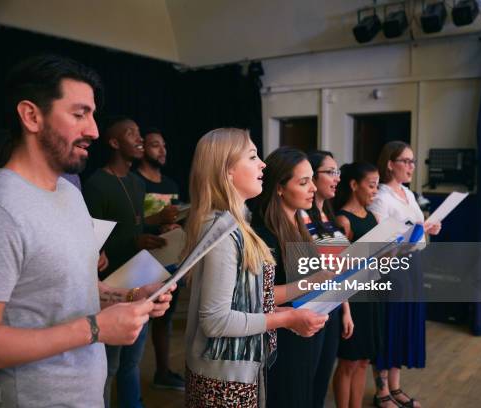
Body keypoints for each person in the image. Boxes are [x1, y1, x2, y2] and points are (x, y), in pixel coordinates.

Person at [0, 55, 173, 408]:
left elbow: (72, 293)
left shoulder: (68, 194)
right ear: (31, 116)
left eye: (93, 115)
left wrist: (129, 298)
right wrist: (96, 329)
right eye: (79, 114)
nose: (94, 131)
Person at [184, 129, 327, 408]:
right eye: (252, 156)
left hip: (239, 369)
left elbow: (249, 301)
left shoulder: (237, 224)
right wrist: (285, 319)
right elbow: (216, 321)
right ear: (227, 170)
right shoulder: (223, 231)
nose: (263, 164)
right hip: (224, 380)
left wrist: (287, 308)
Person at [83, 117, 167, 407]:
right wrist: (134, 242)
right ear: (114, 143)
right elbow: (92, 244)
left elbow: (136, 225)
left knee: (132, 361)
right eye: (131, 133)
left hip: (139, 279)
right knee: (109, 366)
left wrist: (154, 232)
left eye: (140, 131)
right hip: (110, 287)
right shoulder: (96, 184)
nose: (139, 138)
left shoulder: (136, 182)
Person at [250, 146, 333, 408]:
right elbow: (262, 295)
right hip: (283, 339)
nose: (313, 189)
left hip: (309, 330)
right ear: (279, 187)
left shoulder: (299, 226)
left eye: (312, 180)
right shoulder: (264, 235)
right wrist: (317, 280)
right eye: (304, 182)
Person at [368, 141, 441, 408]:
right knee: (389, 325)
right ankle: (382, 390)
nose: (411, 166)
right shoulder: (380, 197)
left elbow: (418, 236)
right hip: (391, 270)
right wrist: (410, 235)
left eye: (413, 161)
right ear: (390, 164)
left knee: (404, 324)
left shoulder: (408, 195)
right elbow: (378, 242)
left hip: (412, 265)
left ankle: (396, 387)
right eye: (406, 161)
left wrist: (427, 229)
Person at [303, 150, 354, 407]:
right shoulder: (299, 217)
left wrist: (346, 310)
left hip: (332, 308)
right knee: (308, 381)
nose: (336, 178)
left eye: (338, 172)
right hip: (311, 309)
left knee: (321, 380)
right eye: (330, 172)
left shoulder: (329, 218)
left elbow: (340, 270)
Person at [332, 162, 384, 408]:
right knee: (348, 362)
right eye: (371, 185)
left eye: (377, 185)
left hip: (371, 292)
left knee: (363, 360)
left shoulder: (372, 215)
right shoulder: (343, 220)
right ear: (354, 185)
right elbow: (337, 266)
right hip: (352, 297)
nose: (375, 191)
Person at [135, 128, 184, 390]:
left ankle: (163, 372)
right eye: (155, 145)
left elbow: (171, 221)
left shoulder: (171, 185)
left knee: (165, 320)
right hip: (140, 264)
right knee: (140, 324)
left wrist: (173, 227)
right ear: (142, 148)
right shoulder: (133, 182)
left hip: (168, 261)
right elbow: (130, 225)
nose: (162, 150)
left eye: (164, 145)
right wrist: (156, 223)